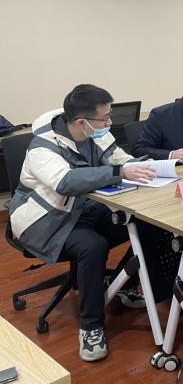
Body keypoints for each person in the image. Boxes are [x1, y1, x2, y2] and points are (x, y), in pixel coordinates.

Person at [8, 84, 157, 362]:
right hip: (43, 221)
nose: (110, 123)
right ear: (81, 122)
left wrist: (144, 166)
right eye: (105, 118)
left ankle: (122, 286)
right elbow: (65, 182)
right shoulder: (43, 146)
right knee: (92, 246)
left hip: (81, 210)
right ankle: (91, 327)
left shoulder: (94, 132)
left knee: (145, 224)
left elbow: (119, 159)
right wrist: (119, 172)